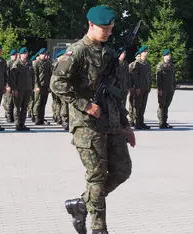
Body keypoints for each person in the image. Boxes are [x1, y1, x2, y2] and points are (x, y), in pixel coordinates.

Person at [50, 6, 136, 234]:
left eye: (111, 29)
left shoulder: (107, 53)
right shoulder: (77, 52)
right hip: (87, 126)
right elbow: (57, 84)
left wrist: (126, 125)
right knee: (97, 177)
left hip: (112, 123)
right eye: (105, 29)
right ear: (91, 25)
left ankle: (80, 204)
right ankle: (99, 228)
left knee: (122, 170)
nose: (109, 32)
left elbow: (114, 91)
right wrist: (85, 105)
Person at [156, 48, 176, 128]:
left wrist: (173, 87)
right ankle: (161, 122)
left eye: (169, 55)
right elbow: (158, 79)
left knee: (166, 105)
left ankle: (165, 121)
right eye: (167, 55)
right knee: (162, 105)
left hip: (170, 89)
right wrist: (159, 89)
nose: (168, 56)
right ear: (164, 56)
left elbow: (173, 77)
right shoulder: (160, 65)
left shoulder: (171, 66)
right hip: (163, 89)